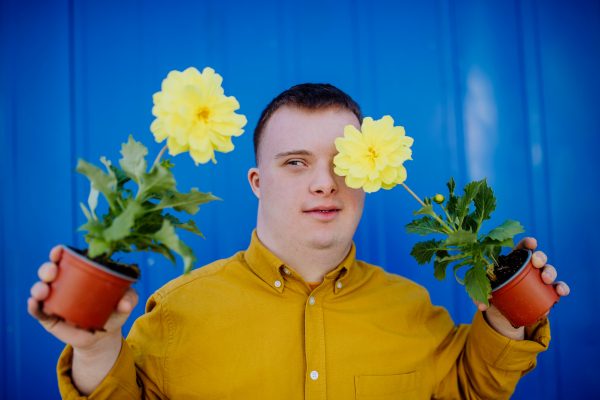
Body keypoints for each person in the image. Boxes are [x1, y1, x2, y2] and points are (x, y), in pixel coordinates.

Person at [28, 84, 570, 399]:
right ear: (257, 183)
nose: (324, 183)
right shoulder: (176, 312)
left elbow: (470, 389)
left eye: (342, 163)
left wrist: (506, 318)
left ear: (369, 175)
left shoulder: (413, 310)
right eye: (295, 163)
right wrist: (95, 348)